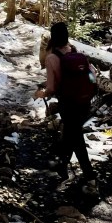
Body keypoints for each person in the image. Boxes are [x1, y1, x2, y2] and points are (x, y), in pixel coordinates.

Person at [34, 22, 97, 188]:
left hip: (68, 105)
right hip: (84, 102)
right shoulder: (75, 52)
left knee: (76, 139)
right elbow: (93, 75)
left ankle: (90, 177)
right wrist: (89, 89)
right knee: (71, 134)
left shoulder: (51, 58)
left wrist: (41, 94)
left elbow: (52, 88)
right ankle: (62, 167)